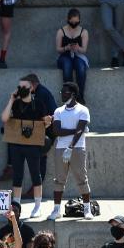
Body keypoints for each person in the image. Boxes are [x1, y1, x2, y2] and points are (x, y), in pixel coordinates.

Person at [0, 75, 51, 215]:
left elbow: (44, 123)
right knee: (18, 174)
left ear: (31, 88)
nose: (21, 89)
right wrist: (11, 100)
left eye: (24, 87)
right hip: (17, 144)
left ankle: (37, 205)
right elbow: (4, 118)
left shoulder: (39, 104)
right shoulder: (15, 104)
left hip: (33, 144)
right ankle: (16, 203)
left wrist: (47, 121)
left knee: (36, 173)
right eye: (19, 87)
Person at [47, 81, 94, 221]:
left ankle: (87, 209)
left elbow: (80, 131)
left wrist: (71, 146)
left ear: (72, 94)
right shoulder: (58, 111)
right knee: (59, 179)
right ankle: (56, 210)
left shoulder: (83, 110)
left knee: (81, 178)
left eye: (65, 92)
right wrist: (76, 130)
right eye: (61, 92)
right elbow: (57, 131)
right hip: (60, 148)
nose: (62, 94)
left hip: (77, 148)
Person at [56, 8, 90, 102]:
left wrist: (78, 48)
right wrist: (66, 48)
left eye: (76, 22)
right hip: (64, 56)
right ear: (68, 20)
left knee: (81, 67)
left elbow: (84, 50)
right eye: (72, 22)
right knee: (67, 65)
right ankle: (69, 96)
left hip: (78, 55)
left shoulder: (84, 32)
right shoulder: (61, 31)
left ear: (79, 20)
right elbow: (58, 49)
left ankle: (80, 95)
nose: (74, 24)